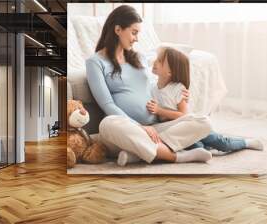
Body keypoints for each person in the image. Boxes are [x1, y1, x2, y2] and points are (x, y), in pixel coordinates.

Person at [85, 5, 213, 166]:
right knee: (107, 124)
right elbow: (107, 104)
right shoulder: (95, 62)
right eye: (134, 32)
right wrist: (140, 127)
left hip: (156, 127)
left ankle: (137, 153)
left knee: (203, 121)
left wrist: (177, 92)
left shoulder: (139, 57)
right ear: (118, 29)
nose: (136, 39)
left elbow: (155, 88)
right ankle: (177, 157)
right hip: (125, 131)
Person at [144, 47, 264, 153]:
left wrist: (160, 111)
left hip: (190, 126)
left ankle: (246, 143)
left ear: (170, 72)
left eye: (159, 61)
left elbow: (183, 115)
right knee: (197, 147)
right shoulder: (153, 87)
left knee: (222, 143)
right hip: (177, 131)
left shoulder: (177, 89)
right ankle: (207, 147)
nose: (154, 62)